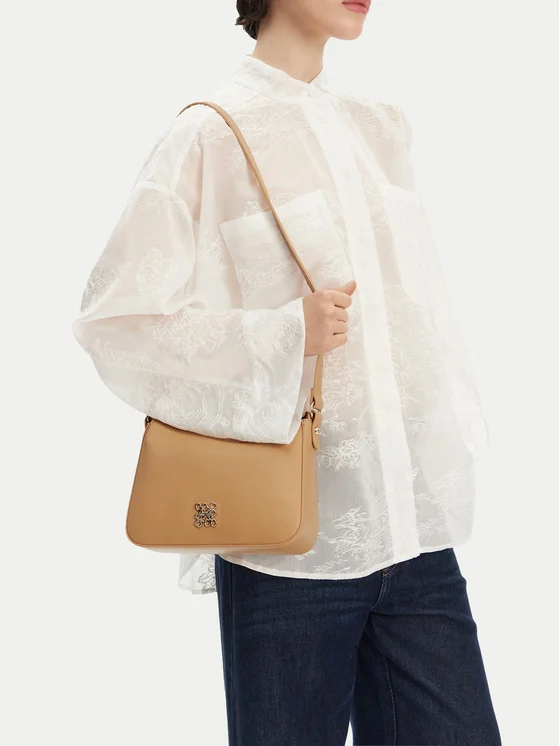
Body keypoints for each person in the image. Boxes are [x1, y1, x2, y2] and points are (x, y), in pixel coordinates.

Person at [71, 0, 502, 743]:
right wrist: (283, 333)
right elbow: (117, 321)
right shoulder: (211, 134)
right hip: (287, 547)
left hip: (414, 530)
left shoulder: (379, 128)